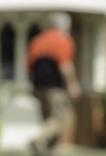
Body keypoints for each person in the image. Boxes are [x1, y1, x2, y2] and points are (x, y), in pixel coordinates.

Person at [27, 12, 82, 156]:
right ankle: (37, 140)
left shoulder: (37, 40)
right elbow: (65, 65)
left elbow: (29, 67)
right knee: (61, 118)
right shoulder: (62, 40)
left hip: (37, 87)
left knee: (48, 120)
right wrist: (73, 85)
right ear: (64, 26)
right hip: (54, 87)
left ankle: (49, 151)